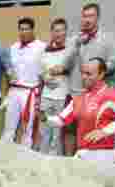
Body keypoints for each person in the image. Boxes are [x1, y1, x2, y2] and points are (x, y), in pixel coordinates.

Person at [46, 3, 115, 156]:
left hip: (96, 97)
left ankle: (89, 163)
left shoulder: (108, 39)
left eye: (91, 16)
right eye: (85, 16)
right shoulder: (74, 40)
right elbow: (65, 64)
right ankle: (68, 161)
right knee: (68, 131)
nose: (87, 20)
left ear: (97, 18)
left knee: (92, 131)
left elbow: (113, 64)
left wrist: (98, 69)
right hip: (74, 94)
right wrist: (75, 45)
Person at [46, 58, 115, 164]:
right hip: (82, 153)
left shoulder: (112, 95)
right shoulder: (79, 98)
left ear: (101, 75)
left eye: (89, 74)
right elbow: (60, 120)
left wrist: (106, 131)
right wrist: (44, 118)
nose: (84, 77)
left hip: (104, 154)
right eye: (83, 73)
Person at [3, 18, 46, 148]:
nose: (23, 32)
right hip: (14, 91)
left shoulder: (42, 47)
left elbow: (44, 72)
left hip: (31, 91)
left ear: (33, 30)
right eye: (21, 29)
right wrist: (6, 92)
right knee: (8, 126)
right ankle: (4, 152)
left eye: (26, 29)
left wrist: (40, 96)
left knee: (28, 127)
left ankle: (26, 156)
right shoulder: (13, 47)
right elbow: (8, 69)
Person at [38, 18, 72, 156]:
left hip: (62, 97)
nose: (59, 33)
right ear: (52, 32)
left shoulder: (70, 51)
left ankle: (55, 164)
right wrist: (45, 76)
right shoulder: (45, 50)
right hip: (46, 96)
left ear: (65, 32)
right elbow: (41, 71)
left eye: (61, 30)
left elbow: (69, 69)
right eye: (56, 30)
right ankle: (41, 158)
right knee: (44, 131)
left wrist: (58, 71)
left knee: (57, 135)